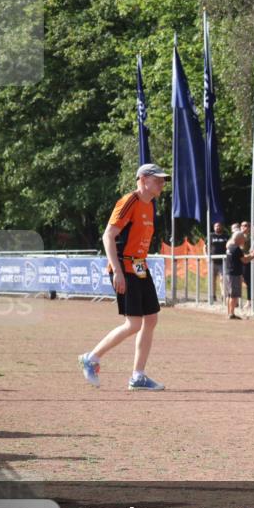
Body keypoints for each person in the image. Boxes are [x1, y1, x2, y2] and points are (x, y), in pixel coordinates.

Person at [78, 163, 168, 391]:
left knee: (151, 319)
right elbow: (108, 236)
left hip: (140, 267)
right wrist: (117, 270)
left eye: (163, 180)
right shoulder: (130, 201)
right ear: (143, 180)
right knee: (134, 323)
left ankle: (138, 376)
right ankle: (91, 357)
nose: (162, 183)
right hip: (125, 267)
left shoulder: (150, 205)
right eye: (158, 179)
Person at [226, 231, 254, 319]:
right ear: (239, 239)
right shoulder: (237, 249)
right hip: (234, 274)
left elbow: (240, 257)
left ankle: (229, 312)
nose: (244, 240)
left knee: (230, 295)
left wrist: (249, 255)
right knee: (234, 295)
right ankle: (231, 314)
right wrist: (253, 255)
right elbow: (245, 260)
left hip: (229, 273)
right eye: (243, 239)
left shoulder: (230, 247)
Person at [208, 222, 229, 302]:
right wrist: (206, 256)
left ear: (222, 227)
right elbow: (205, 247)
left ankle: (224, 295)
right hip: (212, 261)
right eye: (216, 226)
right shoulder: (211, 236)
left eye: (219, 226)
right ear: (214, 227)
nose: (217, 227)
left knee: (223, 278)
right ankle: (213, 295)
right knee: (212, 279)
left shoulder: (226, 236)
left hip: (223, 261)